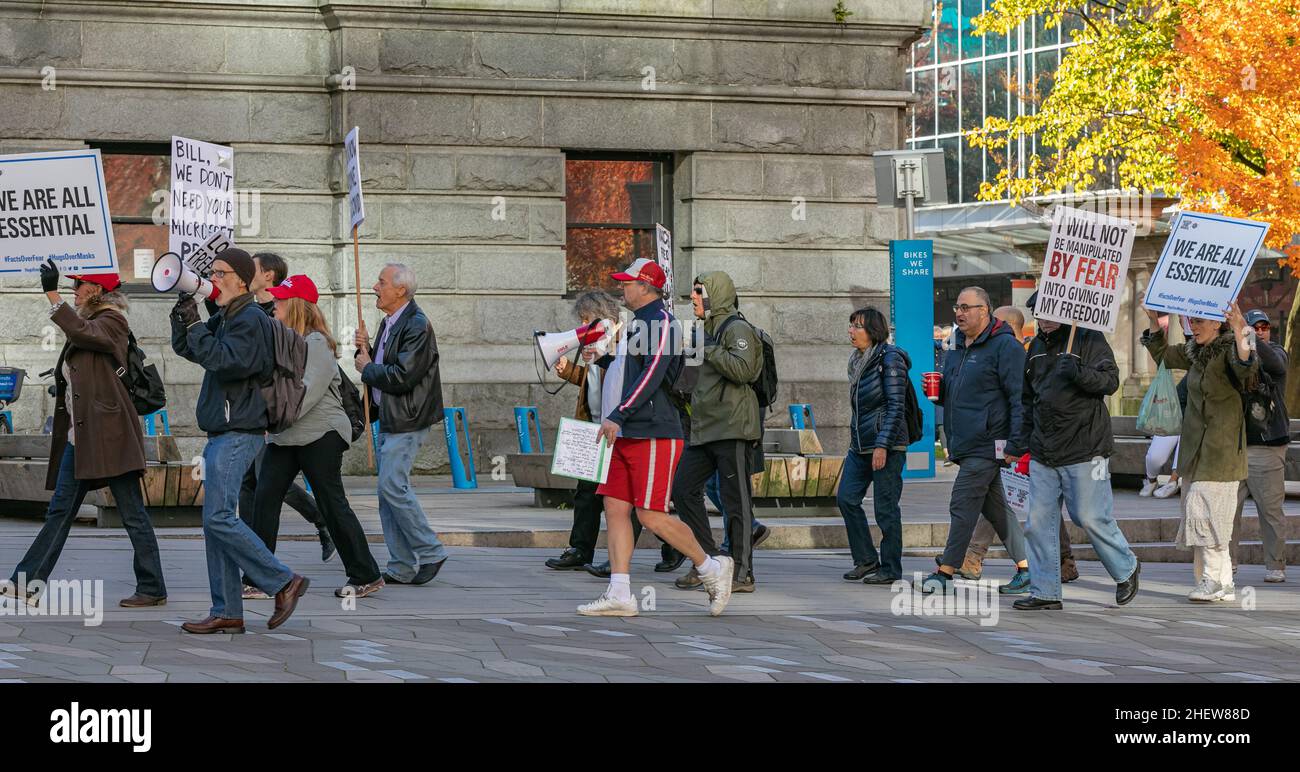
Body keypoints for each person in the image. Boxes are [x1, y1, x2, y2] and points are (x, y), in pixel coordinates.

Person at [1, 265, 167, 608]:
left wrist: (52, 296)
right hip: (83, 438)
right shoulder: (93, 322)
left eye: (80, 285)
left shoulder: (113, 320)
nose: (74, 289)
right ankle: (26, 582)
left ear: (98, 290)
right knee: (60, 511)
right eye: (72, 285)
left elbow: (84, 333)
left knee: (133, 514)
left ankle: (152, 587)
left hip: (111, 436)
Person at [577, 258, 735, 616]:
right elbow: (633, 369)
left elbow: (652, 376)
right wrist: (601, 360)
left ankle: (712, 567)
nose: (622, 288)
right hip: (628, 431)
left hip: (654, 432)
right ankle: (620, 593)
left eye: (628, 283)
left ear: (646, 287)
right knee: (615, 507)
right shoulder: (639, 325)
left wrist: (618, 414)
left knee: (650, 515)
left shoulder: (662, 322)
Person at [171, 248, 308, 633]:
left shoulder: (247, 318)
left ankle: (284, 581)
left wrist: (198, 325)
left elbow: (228, 362)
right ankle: (228, 610)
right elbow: (189, 349)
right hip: (225, 429)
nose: (213, 278)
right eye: (211, 272)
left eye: (220, 272)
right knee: (216, 522)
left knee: (217, 518)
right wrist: (183, 316)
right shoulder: (230, 315)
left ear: (243, 280)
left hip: (239, 430)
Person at [252, 275, 384, 598]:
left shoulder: (317, 343)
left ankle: (365, 574)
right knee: (264, 499)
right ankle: (257, 577)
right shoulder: (281, 340)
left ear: (296, 305)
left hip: (320, 433)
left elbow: (306, 392)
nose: (275, 303)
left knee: (331, 502)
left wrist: (273, 418)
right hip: (287, 435)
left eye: (282, 299)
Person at [1010, 292, 1140, 610]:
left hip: (1085, 447)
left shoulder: (1088, 339)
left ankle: (1126, 568)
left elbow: (1110, 381)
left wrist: (1079, 373)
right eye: (1038, 313)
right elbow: (1028, 400)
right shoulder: (1036, 348)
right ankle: (1045, 591)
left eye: (1048, 312)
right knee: (1038, 523)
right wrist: (1019, 442)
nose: (1042, 319)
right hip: (1044, 449)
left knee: (1090, 517)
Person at [545, 290, 677, 574]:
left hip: (619, 427)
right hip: (595, 425)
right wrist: (570, 371)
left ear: (602, 316)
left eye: (585, 319)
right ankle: (581, 548)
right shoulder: (599, 343)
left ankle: (670, 548)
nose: (582, 325)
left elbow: (626, 382)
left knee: (636, 499)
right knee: (587, 493)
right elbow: (593, 381)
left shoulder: (623, 337)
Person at [1142, 301, 1257, 603]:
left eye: (1200, 321)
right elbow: (1163, 354)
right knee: (1208, 517)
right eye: (1191, 320)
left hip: (1222, 450)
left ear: (1217, 324)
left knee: (1207, 515)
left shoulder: (1231, 347)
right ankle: (1224, 582)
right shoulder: (1194, 352)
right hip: (1195, 451)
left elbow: (1248, 363)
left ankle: (1211, 579)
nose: (1194, 325)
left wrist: (1240, 325)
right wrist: (1155, 320)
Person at [920, 287, 1031, 594]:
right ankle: (1028, 568)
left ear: (985, 311)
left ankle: (945, 572)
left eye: (967, 307)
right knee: (996, 509)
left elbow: (1019, 398)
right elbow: (957, 393)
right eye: (958, 307)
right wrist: (938, 392)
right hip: (965, 442)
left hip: (988, 442)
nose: (959, 312)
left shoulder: (1005, 347)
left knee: (962, 502)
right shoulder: (958, 347)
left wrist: (1015, 443)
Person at [961, 304, 1077, 582]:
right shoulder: (1008, 353)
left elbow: (1021, 402)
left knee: (1008, 498)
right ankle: (1064, 559)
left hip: (1024, 439)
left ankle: (975, 556)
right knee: (1022, 498)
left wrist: (1017, 440)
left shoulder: (1019, 355)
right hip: (1015, 437)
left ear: (1012, 328)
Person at [234, 253, 334, 573]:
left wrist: (276, 414)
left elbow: (303, 381)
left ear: (270, 276)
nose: (248, 272)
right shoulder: (253, 306)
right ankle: (254, 551)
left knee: (268, 483)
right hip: (257, 408)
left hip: (277, 414)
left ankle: (322, 522)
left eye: (254, 267)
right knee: (251, 483)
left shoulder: (283, 317)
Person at [354, 263, 450, 586]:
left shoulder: (416, 324)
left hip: (408, 418)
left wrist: (367, 367)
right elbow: (380, 364)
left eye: (381, 282)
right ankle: (401, 564)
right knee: (387, 491)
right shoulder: (390, 322)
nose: (374, 287)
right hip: (391, 417)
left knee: (392, 486)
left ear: (401, 290)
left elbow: (402, 375)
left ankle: (431, 550)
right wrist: (364, 349)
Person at [670, 271, 765, 594]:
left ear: (716, 294)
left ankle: (742, 573)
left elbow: (744, 370)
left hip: (733, 427)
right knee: (683, 490)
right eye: (693, 292)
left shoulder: (736, 327)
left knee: (736, 501)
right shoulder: (702, 330)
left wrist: (707, 348)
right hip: (703, 428)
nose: (693, 297)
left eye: (699, 291)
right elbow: (688, 384)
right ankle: (709, 561)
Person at [836, 306, 908, 585]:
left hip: (886, 445)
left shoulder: (890, 359)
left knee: (886, 508)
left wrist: (882, 445)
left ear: (873, 331)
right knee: (846, 498)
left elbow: (895, 406)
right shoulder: (857, 361)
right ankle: (866, 559)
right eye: (851, 325)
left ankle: (890, 568)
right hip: (860, 445)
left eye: (857, 326)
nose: (851, 331)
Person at [1231, 309, 1290, 583]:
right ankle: (1226, 564)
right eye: (1255, 326)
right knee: (1229, 511)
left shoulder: (1275, 351)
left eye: (1265, 326)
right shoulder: (1235, 353)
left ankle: (1275, 564)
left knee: (1270, 511)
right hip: (1235, 445)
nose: (1261, 330)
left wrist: (1249, 335)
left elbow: (1274, 365)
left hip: (1267, 446)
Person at [1141, 376, 1188, 499]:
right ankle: (1151, 480)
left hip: (1193, 424)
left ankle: (1173, 481)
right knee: (1154, 457)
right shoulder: (1192, 375)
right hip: (1172, 419)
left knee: (1188, 442)